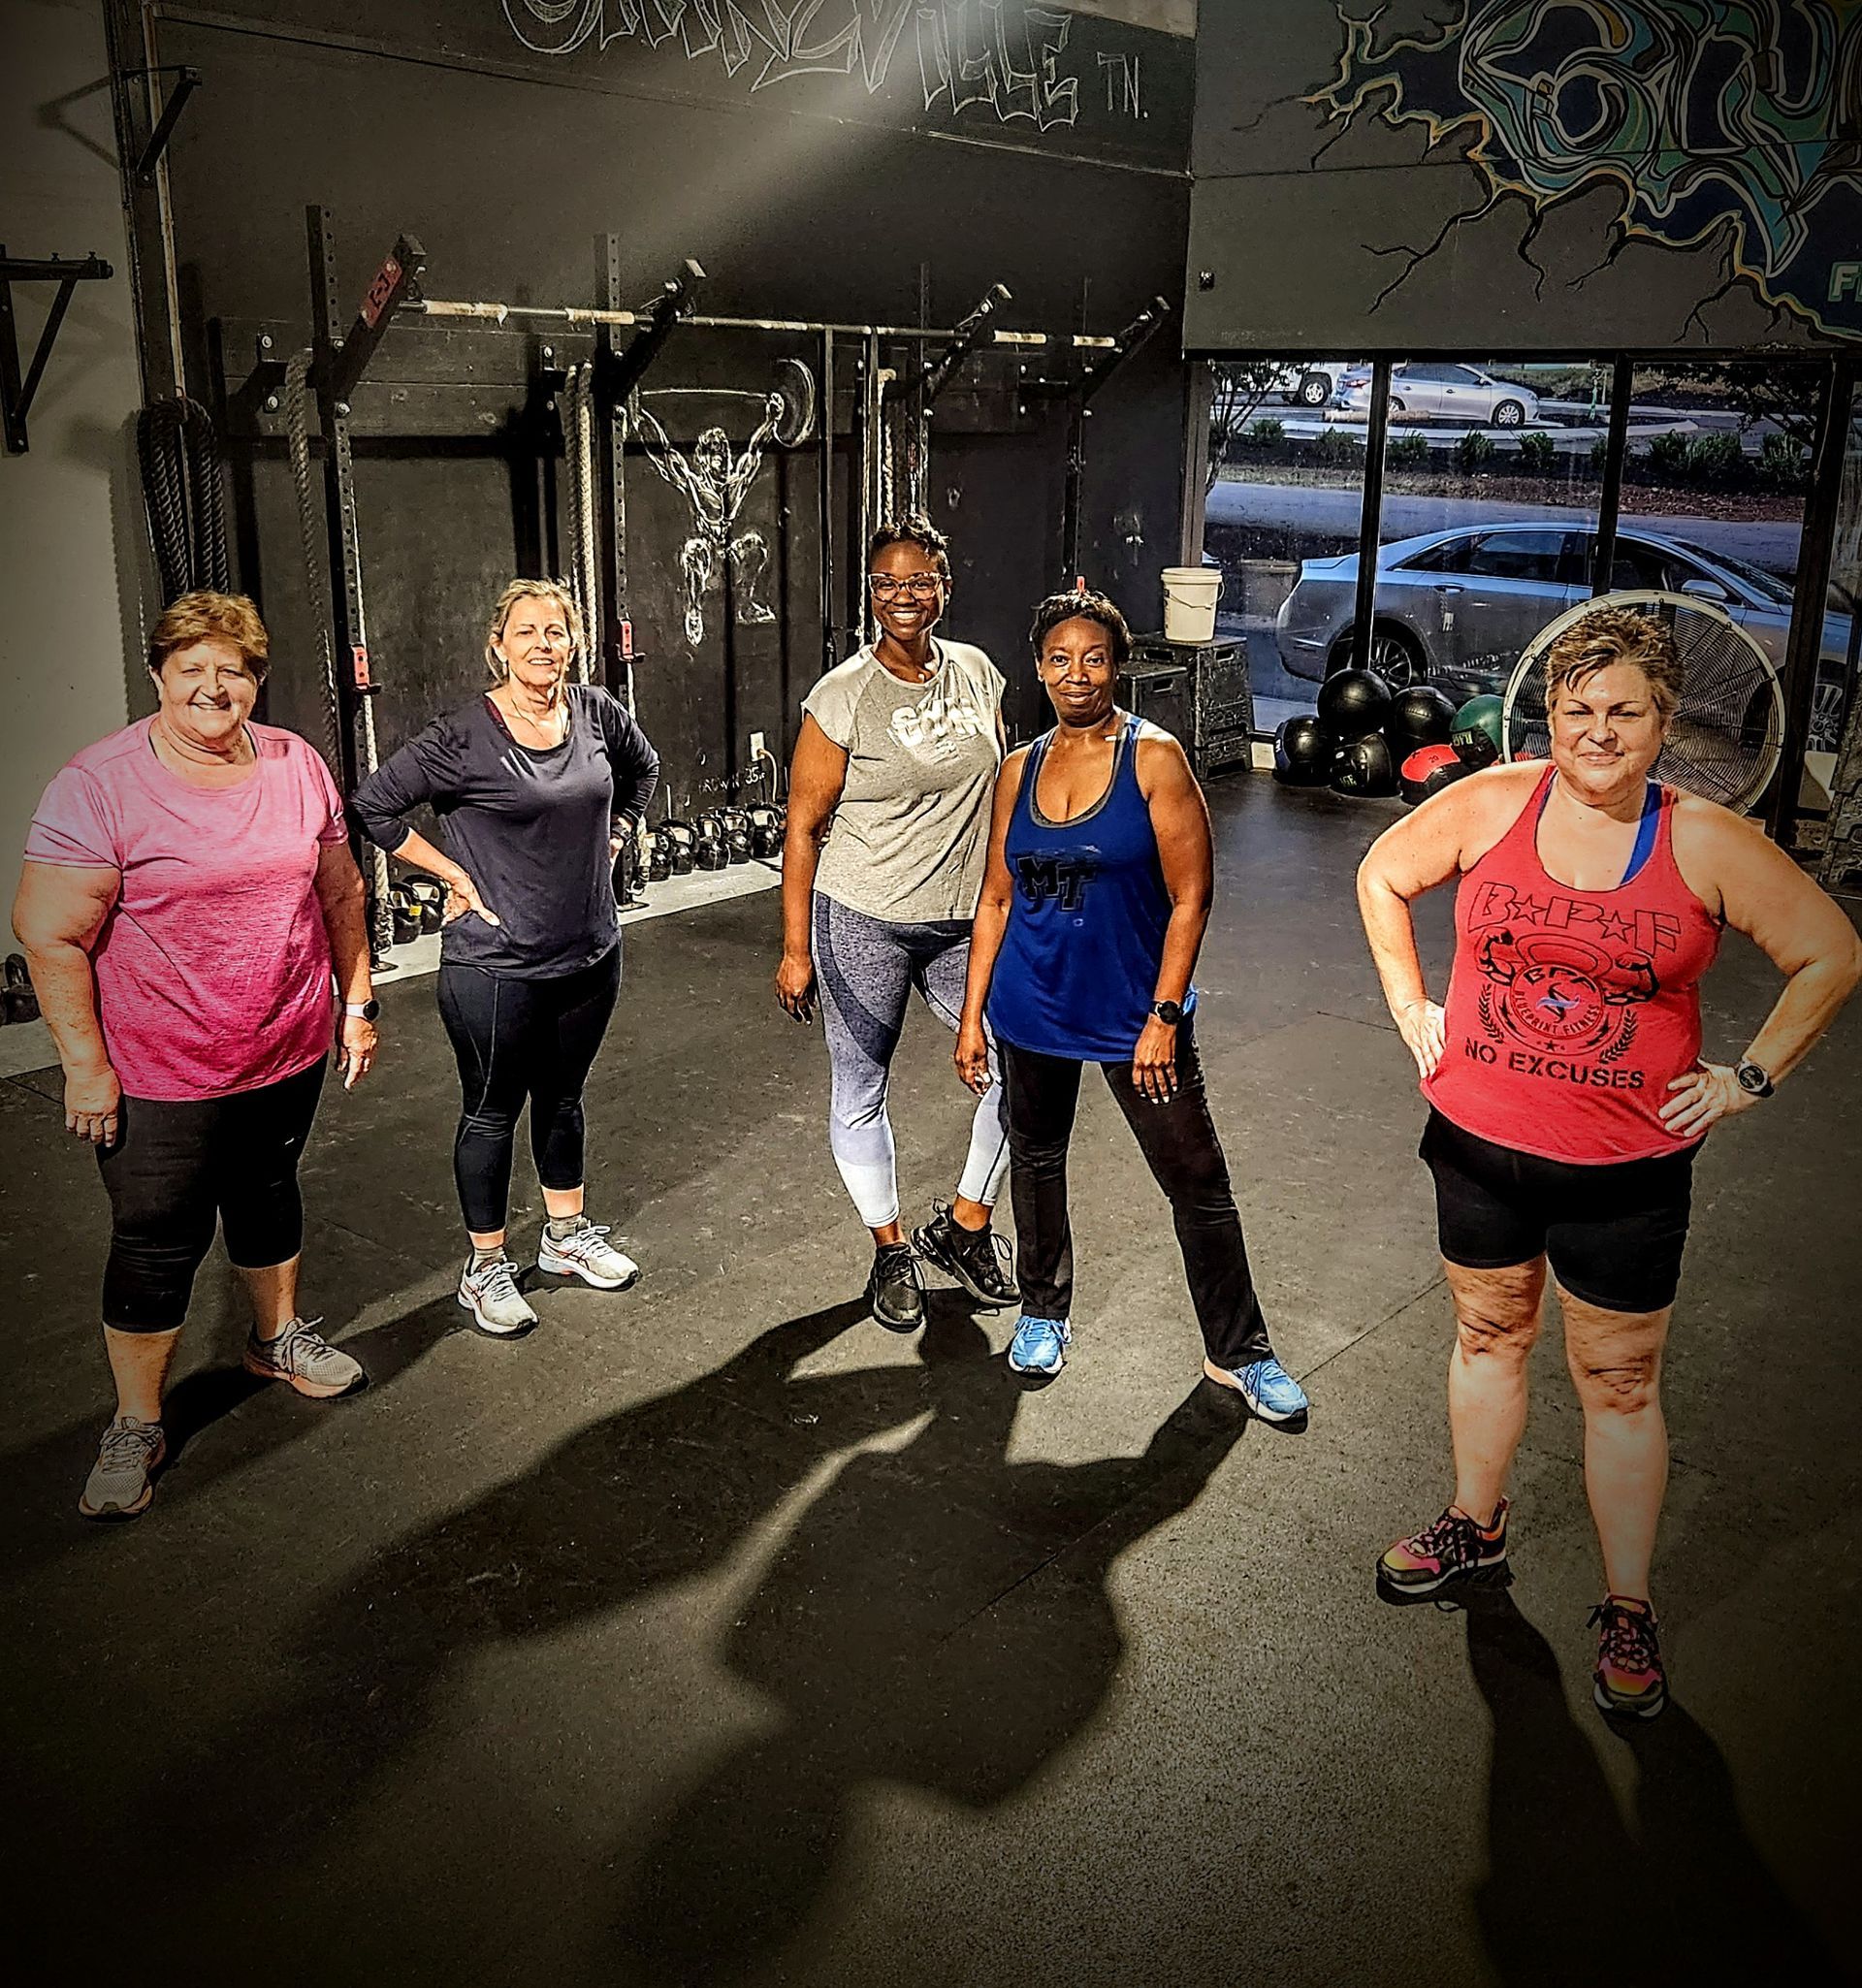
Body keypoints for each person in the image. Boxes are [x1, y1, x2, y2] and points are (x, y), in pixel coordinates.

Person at [1357, 603, 1861, 1718]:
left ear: (1663, 718)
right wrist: (1411, 1004)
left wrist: (1751, 1077)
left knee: (1620, 1384)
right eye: (1576, 710)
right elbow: (1384, 875)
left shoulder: (1704, 840)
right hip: (1480, 1146)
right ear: (1550, 713)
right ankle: (1474, 1527)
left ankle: (1627, 1604)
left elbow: (1830, 951)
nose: (1595, 731)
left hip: (1624, 1171)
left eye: (1623, 711)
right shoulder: (1492, 804)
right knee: (1487, 1334)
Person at [14, 591, 378, 1522]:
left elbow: (339, 890)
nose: (214, 687)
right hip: (158, 1070)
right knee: (155, 1239)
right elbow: (48, 933)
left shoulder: (298, 766)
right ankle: (137, 1420)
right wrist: (87, 1068)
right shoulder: (100, 784)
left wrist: (356, 998)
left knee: (268, 1195)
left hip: (286, 1047)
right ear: (159, 676)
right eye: (193, 669)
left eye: (235, 670)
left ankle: (276, 1337)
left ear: (256, 680)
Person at [954, 589, 1309, 1423]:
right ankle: (1043, 1310)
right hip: (1030, 1006)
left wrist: (1166, 1014)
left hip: (1131, 1014)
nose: (1077, 676)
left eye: (1094, 659)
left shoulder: (1154, 759)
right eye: (1058, 660)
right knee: (1036, 1165)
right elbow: (997, 899)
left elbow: (1192, 898)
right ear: (1038, 670)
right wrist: (973, 1015)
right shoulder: (1020, 767)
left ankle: (1240, 1352)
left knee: (1196, 1180)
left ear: (1118, 665)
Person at [352, 579, 658, 1336]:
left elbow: (642, 770)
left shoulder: (595, 713)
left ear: (574, 641)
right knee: (492, 1113)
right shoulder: (461, 735)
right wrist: (451, 872)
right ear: (498, 644)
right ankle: (485, 1267)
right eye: (526, 632)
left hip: (589, 951)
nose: (542, 645)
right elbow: (373, 805)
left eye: (555, 631)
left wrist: (618, 836)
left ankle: (563, 1238)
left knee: (564, 1098)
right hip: (496, 965)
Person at [775, 518, 1018, 1331]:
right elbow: (802, 827)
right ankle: (888, 1247)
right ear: (870, 594)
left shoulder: (980, 674)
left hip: (962, 922)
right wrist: (794, 948)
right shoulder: (842, 696)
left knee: (1022, 1068)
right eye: (887, 582)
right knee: (860, 1091)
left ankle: (965, 1224)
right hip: (864, 919)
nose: (904, 595)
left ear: (945, 587)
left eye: (920, 581)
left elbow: (1004, 790)